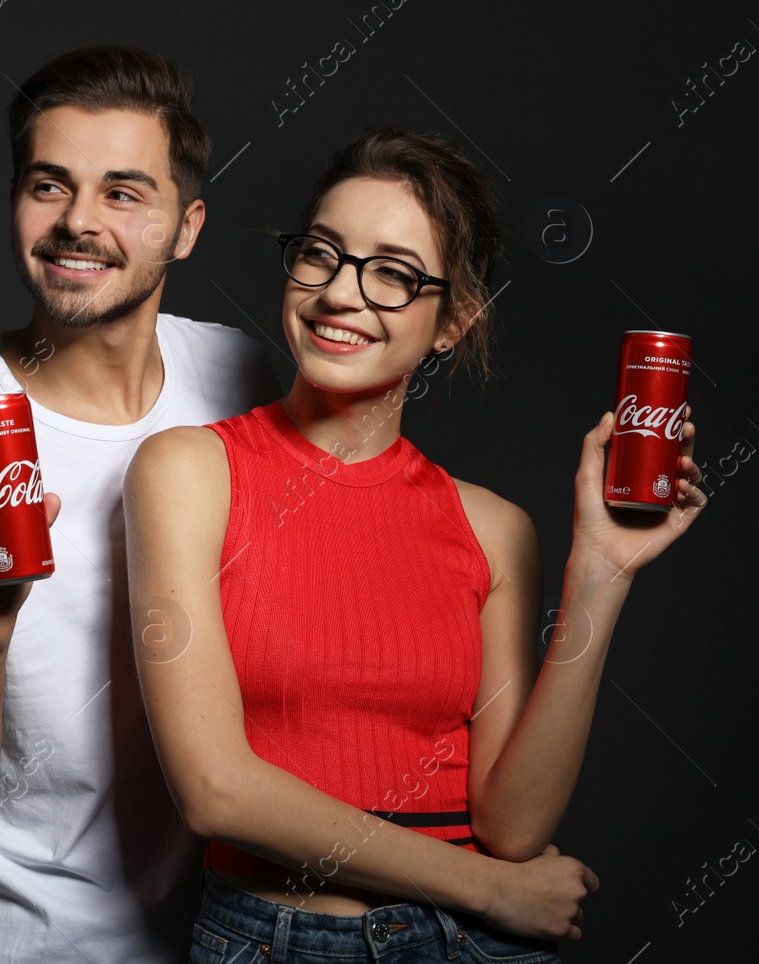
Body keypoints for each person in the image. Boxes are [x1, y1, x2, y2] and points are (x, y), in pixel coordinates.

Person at [123, 128, 706, 962]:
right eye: (321, 253)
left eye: (394, 274)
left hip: (476, 946)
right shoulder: (191, 470)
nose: (340, 294)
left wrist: (600, 575)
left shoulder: (494, 529)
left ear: (453, 324)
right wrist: (487, 888)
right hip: (289, 936)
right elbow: (216, 790)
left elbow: (513, 825)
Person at [0, 45, 279, 962]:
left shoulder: (245, 375)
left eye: (123, 192)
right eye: (49, 186)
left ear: (187, 226)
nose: (78, 223)